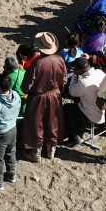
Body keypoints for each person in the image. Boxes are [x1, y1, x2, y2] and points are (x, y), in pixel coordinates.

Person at [20, 33, 67, 162]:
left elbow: (26, 86)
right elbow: (64, 79)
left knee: (36, 124)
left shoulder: (37, 63)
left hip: (38, 97)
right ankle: (51, 151)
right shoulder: (60, 60)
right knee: (53, 122)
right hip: (55, 95)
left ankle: (36, 153)